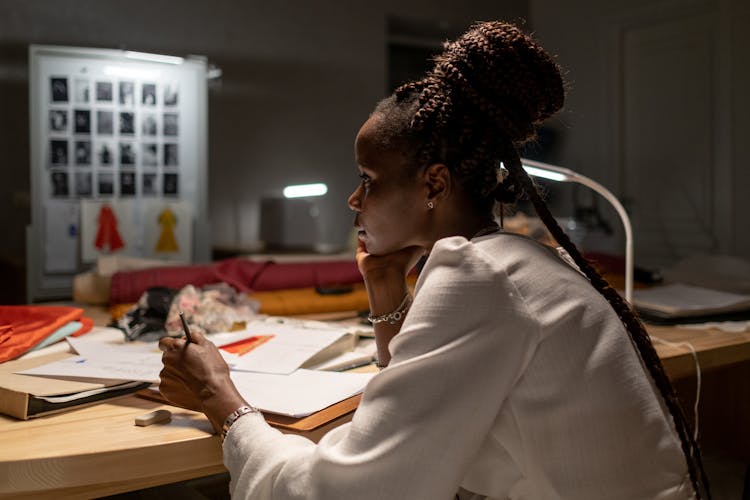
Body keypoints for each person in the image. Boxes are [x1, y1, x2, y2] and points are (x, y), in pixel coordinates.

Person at [159, 21, 709, 499]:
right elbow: (418, 409)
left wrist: (219, 398)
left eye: (368, 180)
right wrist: (385, 286)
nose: (354, 200)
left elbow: (354, 490)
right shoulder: (512, 261)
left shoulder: (479, 277)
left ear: (434, 184)